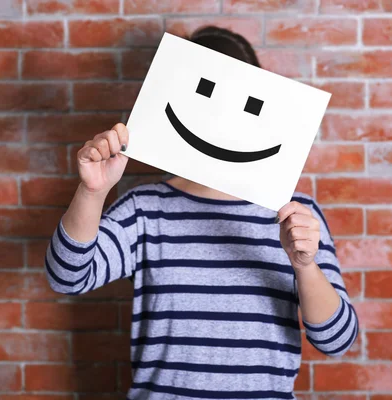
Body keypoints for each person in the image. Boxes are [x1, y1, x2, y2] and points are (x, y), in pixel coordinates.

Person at [45, 26, 358, 399]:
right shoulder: (145, 209)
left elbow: (337, 340)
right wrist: (92, 192)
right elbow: (67, 277)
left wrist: (304, 265)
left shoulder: (297, 217)